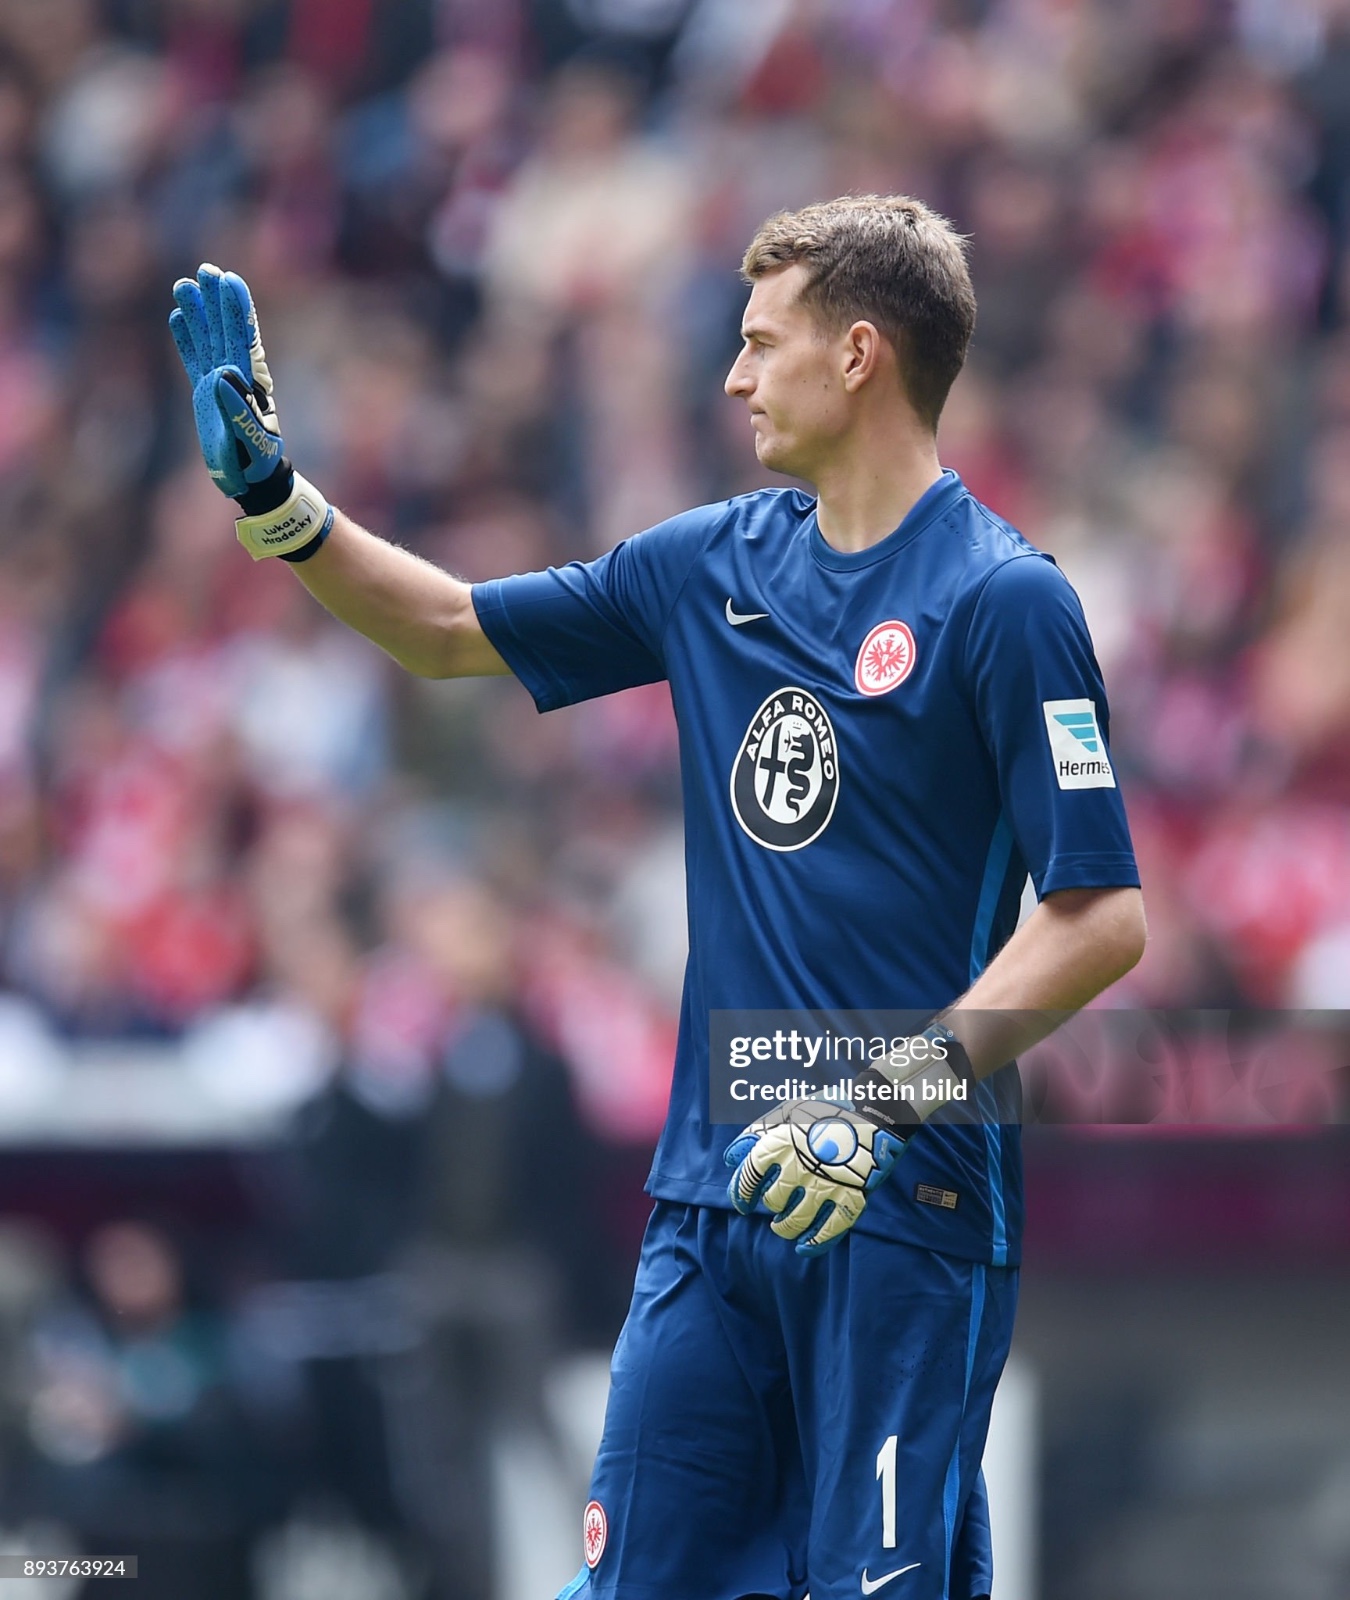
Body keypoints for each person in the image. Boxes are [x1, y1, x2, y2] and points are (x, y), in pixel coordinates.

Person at [169, 193, 1146, 1600]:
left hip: (902, 1204)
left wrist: (871, 1104)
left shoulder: (1005, 603)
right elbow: (450, 633)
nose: (734, 375)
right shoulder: (712, 564)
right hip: (713, 1196)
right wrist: (279, 504)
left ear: (859, 354)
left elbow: (1098, 917)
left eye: (761, 342)